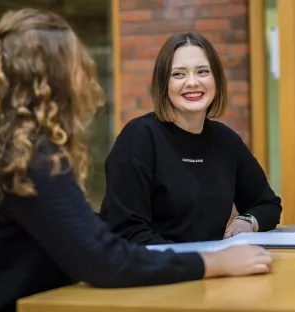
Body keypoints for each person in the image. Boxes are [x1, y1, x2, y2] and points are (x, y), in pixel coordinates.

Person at [0, 9, 273, 312]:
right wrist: (212, 262)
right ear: (52, 79)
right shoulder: (29, 159)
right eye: (78, 65)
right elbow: (104, 258)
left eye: (202, 71)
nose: (87, 76)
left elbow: (88, 242)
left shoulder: (4, 150)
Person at [100, 32, 282, 245]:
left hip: (208, 271)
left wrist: (247, 220)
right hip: (154, 272)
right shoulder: (139, 137)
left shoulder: (226, 141)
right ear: (163, 83)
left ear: (216, 79)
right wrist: (201, 264)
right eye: (178, 74)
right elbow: (127, 232)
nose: (193, 82)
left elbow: (268, 205)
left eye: (203, 72)